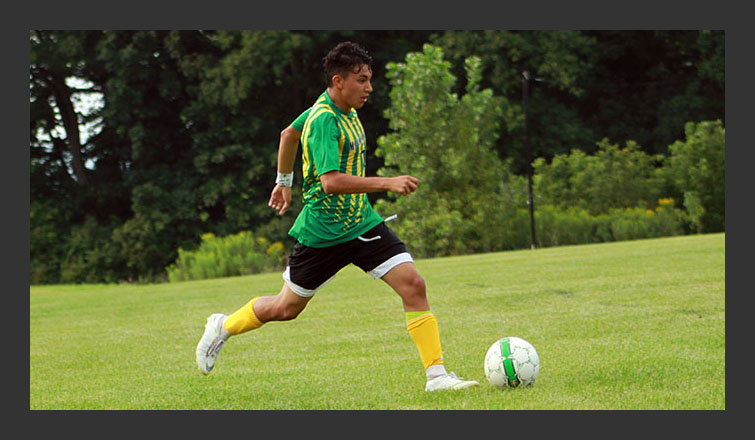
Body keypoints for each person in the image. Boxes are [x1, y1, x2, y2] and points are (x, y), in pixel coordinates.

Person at [196, 41, 478, 392]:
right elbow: (330, 182)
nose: (369, 88)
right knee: (286, 308)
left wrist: (284, 183)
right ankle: (222, 326)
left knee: (414, 285)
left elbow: (288, 134)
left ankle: (436, 376)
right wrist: (386, 182)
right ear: (338, 80)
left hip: (362, 224)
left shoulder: (342, 104)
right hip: (324, 234)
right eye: (362, 80)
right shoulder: (325, 119)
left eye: (369, 79)